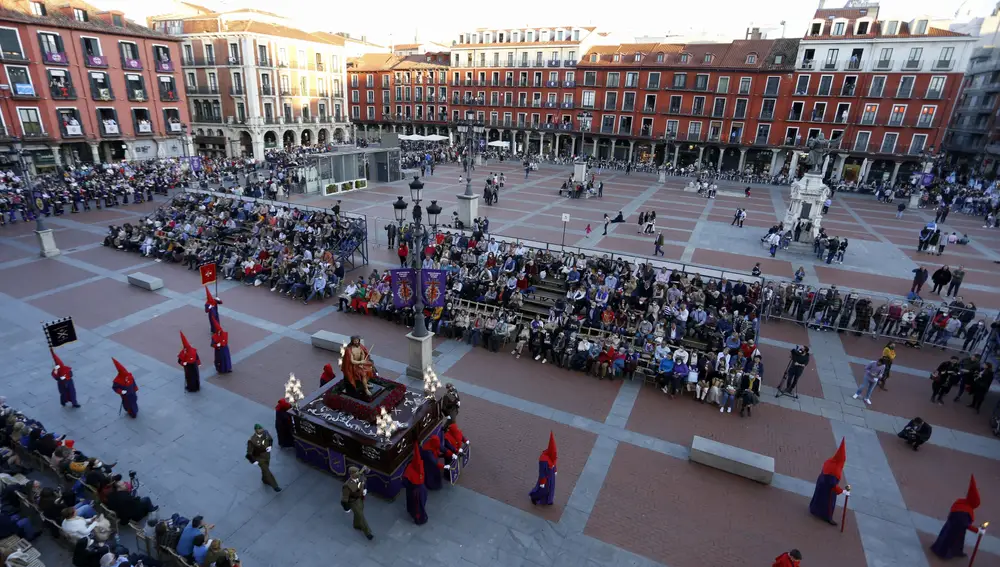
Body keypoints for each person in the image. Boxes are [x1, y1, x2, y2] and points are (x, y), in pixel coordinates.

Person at [930, 475, 983, 559]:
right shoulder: (965, 512)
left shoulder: (961, 503)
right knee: (950, 540)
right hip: (955, 529)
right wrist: (977, 530)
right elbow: (965, 524)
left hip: (953, 526)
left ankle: (954, 551)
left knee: (951, 539)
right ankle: (943, 553)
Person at [809, 438, 849, 525]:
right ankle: (827, 517)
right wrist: (843, 491)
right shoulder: (836, 469)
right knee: (828, 504)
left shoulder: (829, 461)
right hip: (829, 490)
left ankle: (814, 509)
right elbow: (832, 484)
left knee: (818, 498)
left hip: (821, 483)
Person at [246, 424, 281, 492]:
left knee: (265, 469)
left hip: (267, 455)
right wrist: (253, 461)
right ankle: (275, 486)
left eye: (261, 429)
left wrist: (270, 446)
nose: (261, 430)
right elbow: (249, 453)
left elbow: (270, 439)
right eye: (259, 429)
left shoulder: (266, 433)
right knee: (266, 470)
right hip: (259, 457)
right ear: (256, 430)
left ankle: (264, 480)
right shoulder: (252, 440)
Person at [341, 466, 373, 540]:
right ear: (351, 475)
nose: (357, 474)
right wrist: (346, 507)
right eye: (355, 473)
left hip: (360, 499)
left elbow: (364, 480)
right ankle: (368, 533)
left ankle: (356, 525)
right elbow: (345, 498)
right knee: (361, 515)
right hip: (352, 502)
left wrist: (365, 489)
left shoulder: (360, 477)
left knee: (359, 513)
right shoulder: (347, 485)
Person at [401, 445, 427, 525]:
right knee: (418, 506)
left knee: (418, 504)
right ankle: (418, 519)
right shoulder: (417, 468)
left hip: (415, 489)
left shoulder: (412, 468)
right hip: (416, 490)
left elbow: (404, 481)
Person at [529, 432, 557, 506]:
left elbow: (554, 463)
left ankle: (548, 500)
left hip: (551, 476)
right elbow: (542, 472)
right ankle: (534, 497)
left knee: (551, 489)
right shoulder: (543, 460)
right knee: (543, 490)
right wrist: (542, 482)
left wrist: (555, 470)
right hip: (546, 478)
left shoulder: (552, 456)